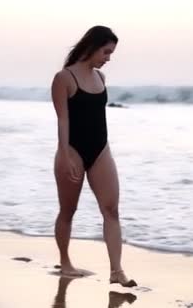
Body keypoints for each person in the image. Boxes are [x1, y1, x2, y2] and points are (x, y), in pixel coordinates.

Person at [51, 26, 137, 287]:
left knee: (111, 210)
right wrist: (65, 155)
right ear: (92, 46)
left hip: (101, 150)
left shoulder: (100, 77)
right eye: (106, 52)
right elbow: (63, 121)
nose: (108, 58)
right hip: (73, 151)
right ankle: (65, 261)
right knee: (68, 210)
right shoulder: (64, 78)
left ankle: (117, 271)